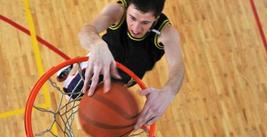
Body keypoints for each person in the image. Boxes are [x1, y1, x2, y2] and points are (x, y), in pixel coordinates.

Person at [61, 0, 184, 129]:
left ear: (156, 18)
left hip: (124, 79)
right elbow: (86, 31)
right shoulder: (117, 11)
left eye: (145, 22)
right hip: (101, 61)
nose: (136, 28)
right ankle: (74, 68)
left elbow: (178, 67)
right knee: (71, 94)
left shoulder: (167, 33)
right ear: (128, 8)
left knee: (101, 112)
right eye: (132, 18)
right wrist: (96, 44)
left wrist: (169, 91)